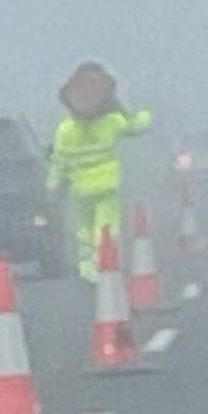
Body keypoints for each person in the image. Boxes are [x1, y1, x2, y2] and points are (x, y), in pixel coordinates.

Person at [46, 63, 154, 275]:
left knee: (83, 228)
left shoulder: (65, 130)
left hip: (80, 188)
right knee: (106, 227)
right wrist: (146, 114)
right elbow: (136, 126)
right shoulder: (111, 122)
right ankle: (105, 261)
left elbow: (59, 162)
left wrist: (53, 187)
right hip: (107, 185)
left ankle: (87, 267)